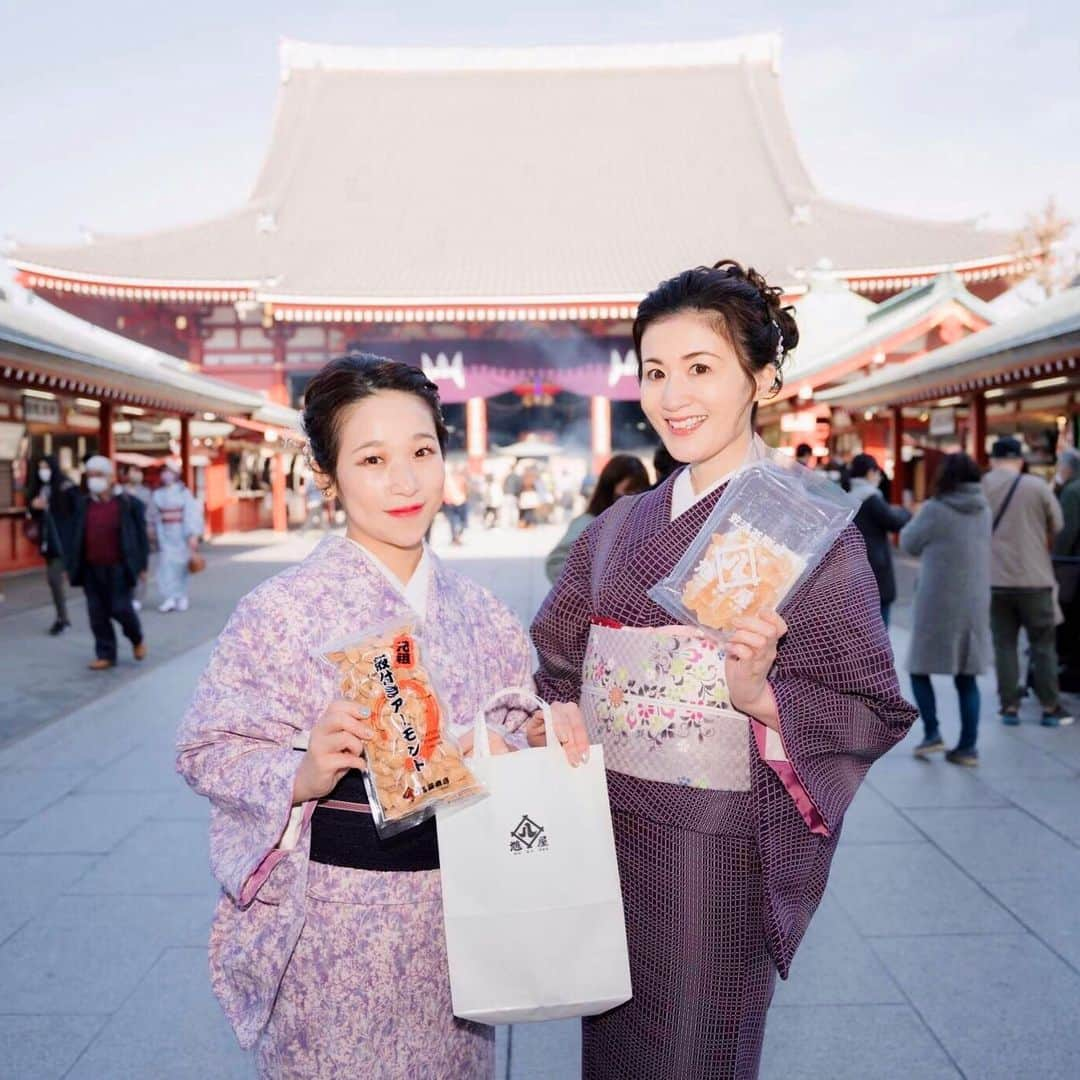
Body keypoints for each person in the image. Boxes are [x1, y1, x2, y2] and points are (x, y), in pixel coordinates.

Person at [530, 260, 916, 1079]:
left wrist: (761, 695)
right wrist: (554, 708)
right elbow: (556, 658)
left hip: (714, 854)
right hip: (604, 836)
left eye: (701, 369)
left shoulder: (810, 532)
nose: (673, 397)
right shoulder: (618, 526)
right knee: (614, 1055)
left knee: (693, 1053)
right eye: (656, 372)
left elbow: (870, 703)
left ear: (763, 380)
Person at [176, 354, 584, 1078]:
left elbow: (518, 725)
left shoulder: (481, 612)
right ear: (327, 474)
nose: (405, 481)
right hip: (338, 929)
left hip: (466, 922)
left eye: (422, 451)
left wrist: (539, 736)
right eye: (372, 458)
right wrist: (301, 771)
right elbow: (208, 748)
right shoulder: (280, 612)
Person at [900, 453, 992, 766]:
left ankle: (932, 733)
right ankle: (968, 747)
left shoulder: (935, 510)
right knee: (967, 676)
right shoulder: (984, 509)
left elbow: (908, 543)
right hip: (974, 602)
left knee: (918, 668)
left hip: (937, 601)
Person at [983, 437, 1073, 727]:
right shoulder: (1035, 486)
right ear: (1020, 460)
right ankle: (1050, 707)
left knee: (1004, 645)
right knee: (1043, 645)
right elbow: (1058, 524)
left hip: (995, 578)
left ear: (993, 460)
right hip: (1035, 579)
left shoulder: (981, 487)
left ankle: (1009, 707)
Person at [67, 455, 148, 670]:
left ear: (111, 478)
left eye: (99, 475)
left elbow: (140, 537)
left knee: (121, 608)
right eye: (90, 475)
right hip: (91, 568)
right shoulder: (83, 505)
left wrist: (142, 566)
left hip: (119, 568)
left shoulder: (129, 504)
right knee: (97, 613)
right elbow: (74, 537)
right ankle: (106, 653)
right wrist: (71, 565)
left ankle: (136, 638)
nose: (94, 479)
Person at [545, 454, 650, 584]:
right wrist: (588, 589)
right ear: (609, 488)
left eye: (641, 489)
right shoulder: (588, 523)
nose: (635, 496)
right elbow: (556, 563)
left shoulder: (646, 524)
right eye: (629, 490)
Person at [848, 453, 911, 626]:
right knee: (880, 624)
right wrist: (906, 511)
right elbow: (894, 521)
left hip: (855, 566)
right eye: (877, 473)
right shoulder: (871, 498)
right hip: (876, 567)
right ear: (870, 473)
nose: (879, 477)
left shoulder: (849, 497)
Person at [26, 454, 75, 635]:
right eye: (40, 467)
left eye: (46, 467)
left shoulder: (65, 485)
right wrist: (34, 506)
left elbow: (74, 510)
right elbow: (33, 511)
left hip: (63, 539)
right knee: (53, 580)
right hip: (48, 540)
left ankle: (63, 618)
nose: (42, 471)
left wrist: (51, 505)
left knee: (55, 579)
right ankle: (62, 617)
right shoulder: (41, 488)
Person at [147, 467, 204, 613]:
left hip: (182, 534)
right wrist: (151, 529)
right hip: (165, 535)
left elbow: (191, 513)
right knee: (166, 567)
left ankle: (181, 596)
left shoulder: (183, 493)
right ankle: (169, 597)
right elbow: (152, 515)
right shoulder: (157, 494)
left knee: (182, 567)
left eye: (169, 472)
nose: (166, 475)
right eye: (164, 472)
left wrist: (192, 534)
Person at [1052, 448, 1080, 691]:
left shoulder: (1072, 491)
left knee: (1068, 621)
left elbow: (1066, 531)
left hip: (1073, 567)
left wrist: (1056, 559)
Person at [441, 465, 468, 544]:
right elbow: (443, 492)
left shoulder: (461, 479)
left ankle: (457, 536)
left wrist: (466, 496)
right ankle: (455, 538)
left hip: (461, 501)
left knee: (461, 522)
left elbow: (466, 488)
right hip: (451, 503)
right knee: (453, 521)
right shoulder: (446, 481)